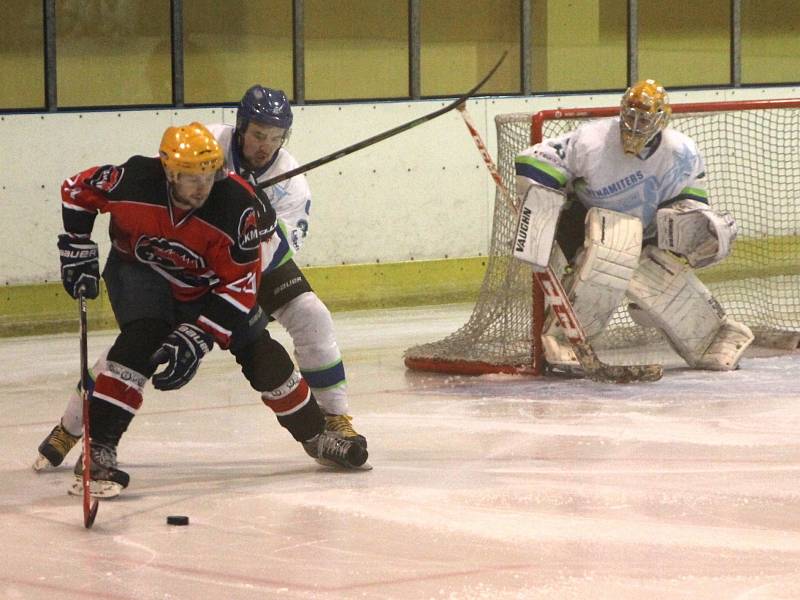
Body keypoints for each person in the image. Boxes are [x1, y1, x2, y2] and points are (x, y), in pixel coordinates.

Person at [34, 86, 367, 473]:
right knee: (140, 342)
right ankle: (75, 430)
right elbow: (81, 189)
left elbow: (251, 272)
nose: (265, 145)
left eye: (275, 138)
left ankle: (327, 425)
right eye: (259, 134)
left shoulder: (276, 190)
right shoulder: (195, 147)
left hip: (241, 260)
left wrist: (201, 329)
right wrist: (75, 243)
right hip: (154, 266)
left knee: (276, 340)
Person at [512, 79, 753, 373]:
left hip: (647, 230)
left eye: (644, 119)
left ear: (662, 120)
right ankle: (565, 340)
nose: (635, 126)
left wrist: (695, 229)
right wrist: (537, 201)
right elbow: (533, 162)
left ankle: (709, 339)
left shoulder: (682, 152)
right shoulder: (592, 139)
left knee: (657, 280)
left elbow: (690, 199)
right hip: (588, 223)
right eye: (630, 116)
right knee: (610, 258)